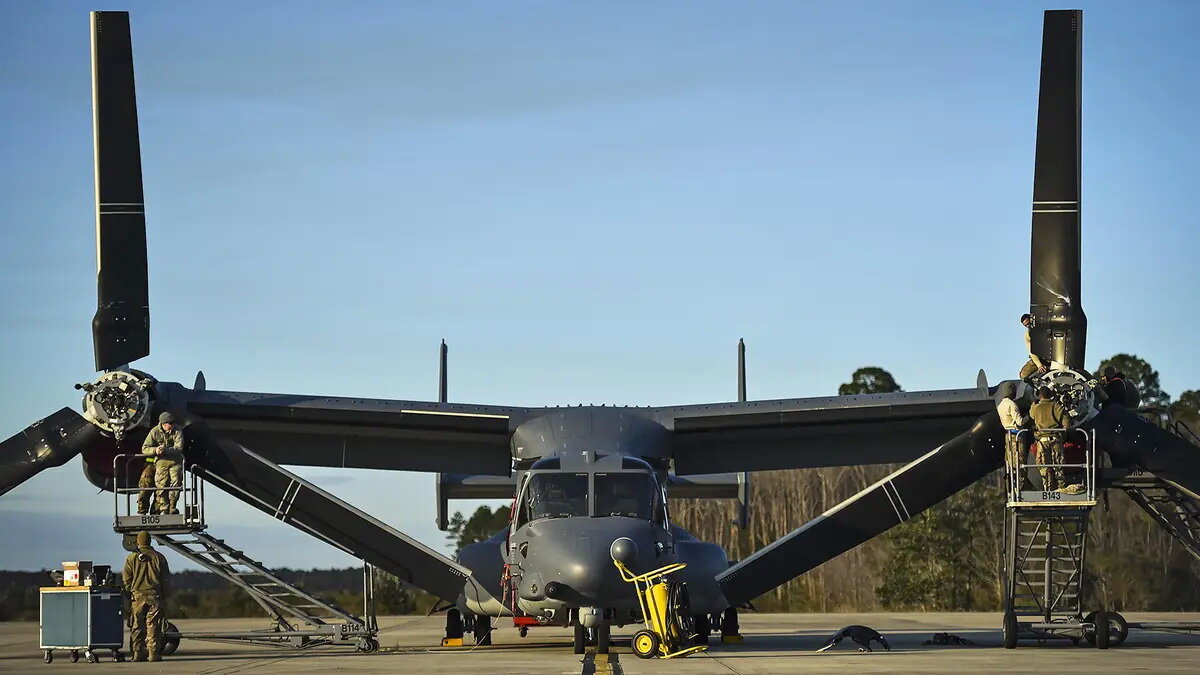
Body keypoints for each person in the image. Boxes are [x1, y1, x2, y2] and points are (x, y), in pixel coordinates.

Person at [123, 530, 170, 662]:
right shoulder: (159, 557)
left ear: (138, 541)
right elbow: (165, 580)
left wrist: (129, 593)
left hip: (137, 597)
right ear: (150, 541)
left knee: (137, 625)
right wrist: (165, 596)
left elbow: (126, 579)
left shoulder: (131, 558)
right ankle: (153, 653)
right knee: (153, 625)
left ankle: (137, 653)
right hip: (155, 596)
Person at [1029, 387, 1083, 495]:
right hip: (1056, 440)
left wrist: (1033, 404)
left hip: (1042, 441)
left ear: (1040, 396)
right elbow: (1067, 424)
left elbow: (1031, 415)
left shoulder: (1036, 408)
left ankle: (1047, 488)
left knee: (1044, 466)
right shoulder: (1057, 407)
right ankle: (1061, 486)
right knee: (1058, 464)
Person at [142, 412, 185, 514]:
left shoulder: (178, 431)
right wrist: (155, 450)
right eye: (170, 423)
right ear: (163, 424)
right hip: (161, 462)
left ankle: (172, 507)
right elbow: (145, 448)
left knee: (176, 483)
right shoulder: (154, 432)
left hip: (175, 461)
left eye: (173, 423)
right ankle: (163, 508)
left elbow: (179, 447)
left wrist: (165, 451)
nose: (172, 425)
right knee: (161, 484)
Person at [997, 382, 1031, 488]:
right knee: (1020, 460)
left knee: (1011, 461)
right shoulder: (1011, 405)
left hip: (1008, 435)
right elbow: (1020, 422)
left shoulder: (1001, 405)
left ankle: (1013, 483)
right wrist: (1031, 415)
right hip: (1017, 436)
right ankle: (1023, 483)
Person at [1019, 314, 1048, 380]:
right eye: (1026, 325)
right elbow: (1031, 351)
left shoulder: (1044, 328)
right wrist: (1039, 365)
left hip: (1050, 356)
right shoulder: (1027, 335)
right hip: (1038, 358)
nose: (1028, 326)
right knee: (1023, 375)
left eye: (1029, 323)